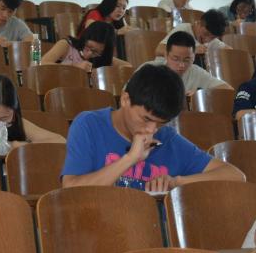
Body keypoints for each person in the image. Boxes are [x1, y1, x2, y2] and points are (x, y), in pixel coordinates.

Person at [61, 63, 243, 191]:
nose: (152, 130)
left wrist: (177, 182)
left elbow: (234, 175)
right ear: (125, 99)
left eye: (161, 123)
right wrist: (130, 159)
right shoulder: (89, 124)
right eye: (146, 119)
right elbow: (71, 188)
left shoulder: (167, 139)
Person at [139, 32, 230, 96]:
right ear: (166, 55)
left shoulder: (196, 72)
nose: (181, 65)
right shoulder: (148, 70)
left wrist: (201, 91)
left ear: (193, 57)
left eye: (187, 60)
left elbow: (228, 89)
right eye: (176, 59)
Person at [40, 22, 126, 73]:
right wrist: (74, 67)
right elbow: (42, 63)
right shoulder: (66, 45)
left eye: (96, 52)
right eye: (88, 47)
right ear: (85, 38)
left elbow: (127, 66)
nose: (89, 54)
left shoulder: (102, 57)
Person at [158, 9, 228, 59]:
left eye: (212, 38)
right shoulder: (183, 29)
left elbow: (229, 51)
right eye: (205, 34)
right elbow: (159, 50)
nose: (207, 40)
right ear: (199, 23)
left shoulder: (212, 40)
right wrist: (191, 51)